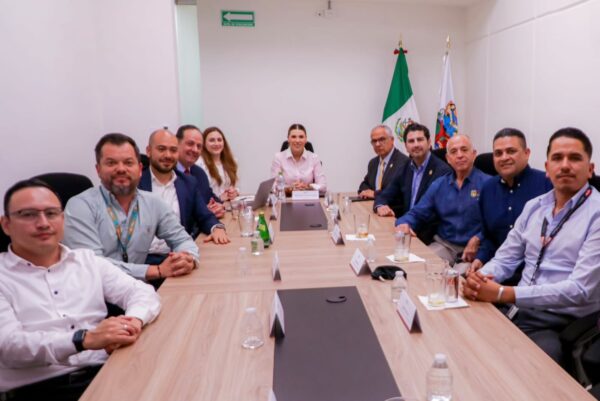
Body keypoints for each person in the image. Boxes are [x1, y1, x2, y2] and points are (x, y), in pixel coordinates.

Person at [0, 179, 160, 400]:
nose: (43, 223)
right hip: (40, 389)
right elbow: (10, 346)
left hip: (108, 371)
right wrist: (83, 340)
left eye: (51, 213)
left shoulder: (87, 260)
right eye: (28, 214)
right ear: (6, 224)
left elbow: (141, 292)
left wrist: (130, 323)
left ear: (63, 219)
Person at [464, 127, 600, 368]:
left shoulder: (596, 215)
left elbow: (579, 290)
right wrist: (479, 279)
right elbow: (505, 258)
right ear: (547, 168)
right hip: (518, 307)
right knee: (463, 338)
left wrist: (503, 293)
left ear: (590, 169)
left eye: (574, 158)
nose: (565, 165)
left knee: (525, 368)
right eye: (557, 158)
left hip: (559, 320)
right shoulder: (534, 207)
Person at [63, 133, 199, 282]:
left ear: (139, 169)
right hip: (96, 292)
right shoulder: (80, 206)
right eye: (111, 163)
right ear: (98, 169)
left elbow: (182, 240)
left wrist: (186, 259)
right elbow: (93, 264)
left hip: (138, 289)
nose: (121, 169)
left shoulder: (153, 203)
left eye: (128, 163)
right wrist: (155, 270)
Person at [395, 134, 491, 269]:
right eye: (454, 151)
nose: (459, 155)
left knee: (457, 278)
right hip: (444, 246)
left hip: (473, 250)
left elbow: (497, 224)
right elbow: (417, 212)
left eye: (464, 150)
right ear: (448, 159)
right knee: (420, 268)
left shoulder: (488, 184)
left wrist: (479, 238)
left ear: (474, 154)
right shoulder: (439, 184)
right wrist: (404, 223)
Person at [469, 128, 553, 272]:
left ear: (527, 153)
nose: (504, 157)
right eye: (498, 153)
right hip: (498, 270)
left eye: (511, 151)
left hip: (537, 274)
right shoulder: (488, 189)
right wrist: (480, 259)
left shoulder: (548, 185)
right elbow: (489, 237)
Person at [139, 129, 229, 252]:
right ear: (148, 151)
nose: (168, 155)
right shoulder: (136, 184)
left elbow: (204, 215)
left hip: (179, 254)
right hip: (145, 257)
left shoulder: (188, 183)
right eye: (161, 149)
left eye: (173, 150)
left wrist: (217, 227)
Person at [375, 123, 452, 218]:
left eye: (420, 140)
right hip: (406, 223)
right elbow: (386, 194)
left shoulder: (442, 171)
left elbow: (435, 213)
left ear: (429, 143)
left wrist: (408, 222)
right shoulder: (405, 167)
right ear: (406, 147)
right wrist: (381, 206)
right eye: (411, 141)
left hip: (425, 225)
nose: (416, 145)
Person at [175, 124, 225, 219]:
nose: (195, 149)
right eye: (190, 144)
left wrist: (219, 206)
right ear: (176, 143)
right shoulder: (168, 172)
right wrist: (204, 212)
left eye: (199, 146)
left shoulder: (199, 173)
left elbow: (211, 197)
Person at [271, 123, 327, 193]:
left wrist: (308, 186)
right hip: (287, 198)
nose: (297, 140)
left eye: (301, 137)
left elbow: (323, 186)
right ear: (288, 139)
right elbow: (273, 186)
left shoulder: (314, 158)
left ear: (306, 139)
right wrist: (289, 188)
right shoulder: (278, 158)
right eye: (293, 137)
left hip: (308, 198)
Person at [357, 125, 408, 199]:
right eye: (374, 141)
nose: (377, 144)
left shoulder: (403, 162)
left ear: (392, 140)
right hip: (372, 204)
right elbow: (364, 184)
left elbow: (400, 192)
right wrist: (366, 192)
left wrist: (375, 194)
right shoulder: (373, 163)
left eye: (382, 139)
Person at [198, 126, 240, 202]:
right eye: (212, 140)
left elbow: (235, 186)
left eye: (219, 140)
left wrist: (235, 192)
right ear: (204, 143)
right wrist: (219, 198)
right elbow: (201, 195)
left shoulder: (232, 161)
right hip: (212, 206)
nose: (216, 143)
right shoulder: (199, 165)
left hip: (229, 204)